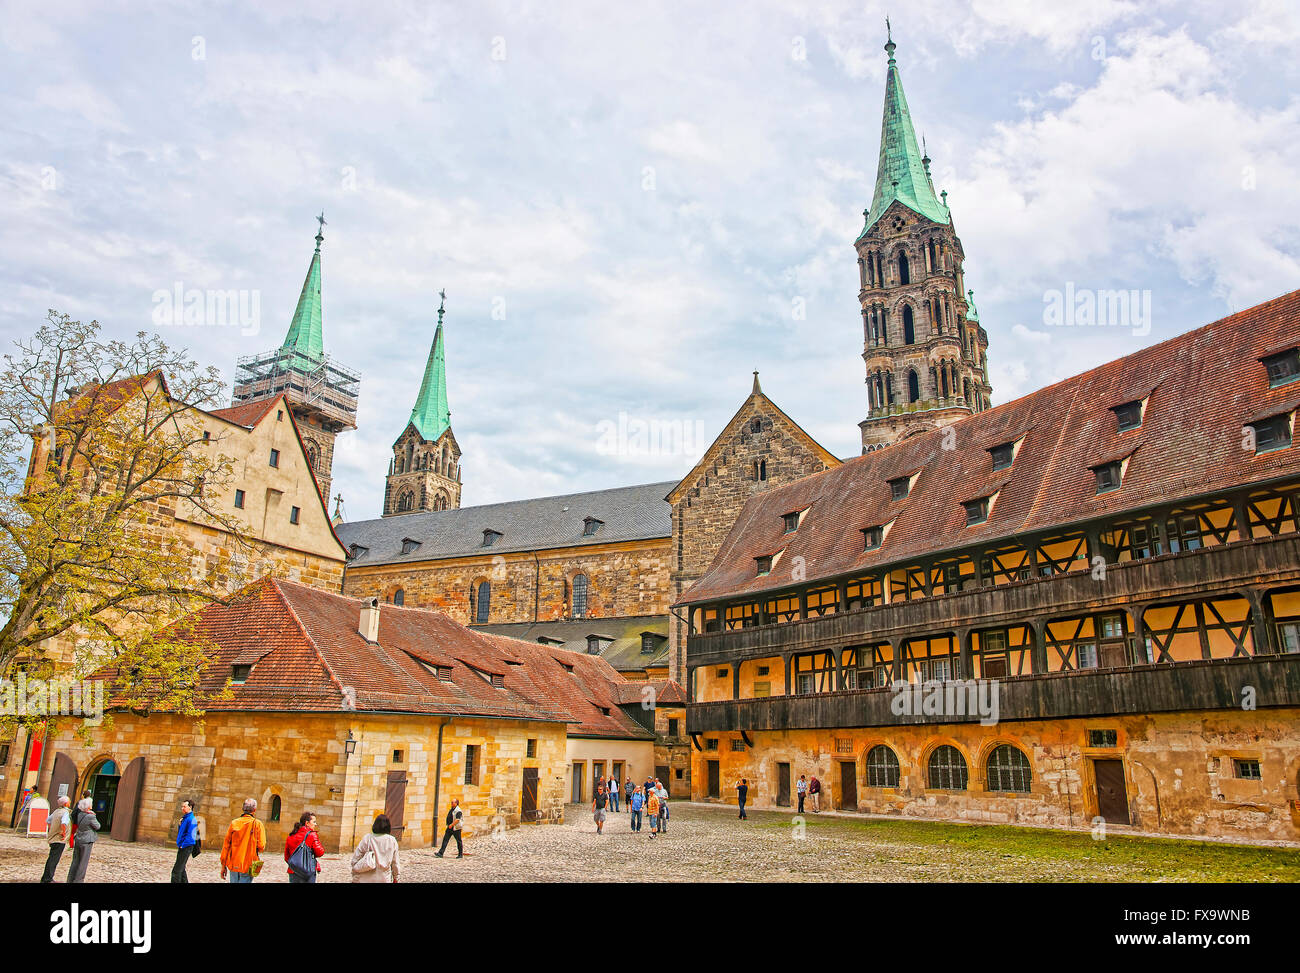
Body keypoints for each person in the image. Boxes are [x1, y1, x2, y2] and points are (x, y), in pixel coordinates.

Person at [220, 798, 267, 883]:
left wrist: (223, 865)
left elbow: (226, 845)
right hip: (248, 863)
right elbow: (261, 846)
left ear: (243, 809)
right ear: (254, 810)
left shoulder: (234, 823)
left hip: (233, 863)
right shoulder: (258, 824)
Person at [351, 814, 401, 883]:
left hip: (365, 876)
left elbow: (356, 857)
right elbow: (395, 862)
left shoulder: (367, 838)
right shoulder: (392, 840)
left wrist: (355, 871)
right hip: (384, 877)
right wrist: (396, 877)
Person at [284, 810, 325, 883]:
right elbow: (320, 852)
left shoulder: (291, 836)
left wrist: (296, 865)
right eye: (314, 822)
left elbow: (287, 857)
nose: (315, 824)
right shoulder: (312, 835)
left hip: (293, 871)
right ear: (307, 823)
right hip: (308, 871)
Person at [66, 797, 100, 883]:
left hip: (79, 838)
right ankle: (78, 880)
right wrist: (93, 815)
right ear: (88, 806)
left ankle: (70, 879)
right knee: (83, 862)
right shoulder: (91, 816)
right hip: (87, 840)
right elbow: (98, 826)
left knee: (75, 861)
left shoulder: (80, 814)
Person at [41, 795, 72, 883]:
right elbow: (64, 823)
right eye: (69, 802)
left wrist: (52, 829)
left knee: (51, 858)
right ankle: (48, 878)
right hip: (59, 839)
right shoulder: (65, 812)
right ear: (66, 804)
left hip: (53, 837)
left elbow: (48, 821)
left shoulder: (56, 811)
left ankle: (45, 877)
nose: (69, 803)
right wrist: (63, 832)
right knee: (54, 859)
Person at [172, 799, 200, 883]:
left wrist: (183, 845)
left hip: (186, 847)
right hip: (183, 846)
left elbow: (191, 836)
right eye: (182, 806)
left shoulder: (191, 819)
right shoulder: (185, 818)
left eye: (184, 806)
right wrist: (180, 825)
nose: (182, 808)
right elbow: (182, 832)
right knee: (181, 869)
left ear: (190, 807)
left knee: (176, 871)